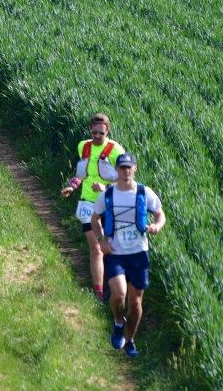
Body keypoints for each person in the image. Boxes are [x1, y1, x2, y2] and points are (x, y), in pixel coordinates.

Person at [91, 153, 165, 358]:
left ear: (135, 169)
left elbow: (160, 213)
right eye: (122, 167)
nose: (125, 171)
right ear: (117, 170)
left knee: (135, 302)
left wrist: (157, 226)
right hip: (115, 253)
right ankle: (117, 322)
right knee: (119, 294)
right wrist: (101, 239)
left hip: (139, 254)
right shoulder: (108, 195)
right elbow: (95, 218)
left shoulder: (144, 192)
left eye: (129, 167)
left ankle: (130, 340)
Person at [60, 113, 125, 301]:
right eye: (94, 132)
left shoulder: (116, 150)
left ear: (108, 131)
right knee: (96, 247)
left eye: (101, 134)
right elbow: (82, 173)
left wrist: (106, 188)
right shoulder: (84, 146)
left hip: (110, 204)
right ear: (90, 129)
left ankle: (116, 290)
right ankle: (98, 292)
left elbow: (126, 180)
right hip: (88, 202)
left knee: (110, 247)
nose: (97, 136)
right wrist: (71, 186)